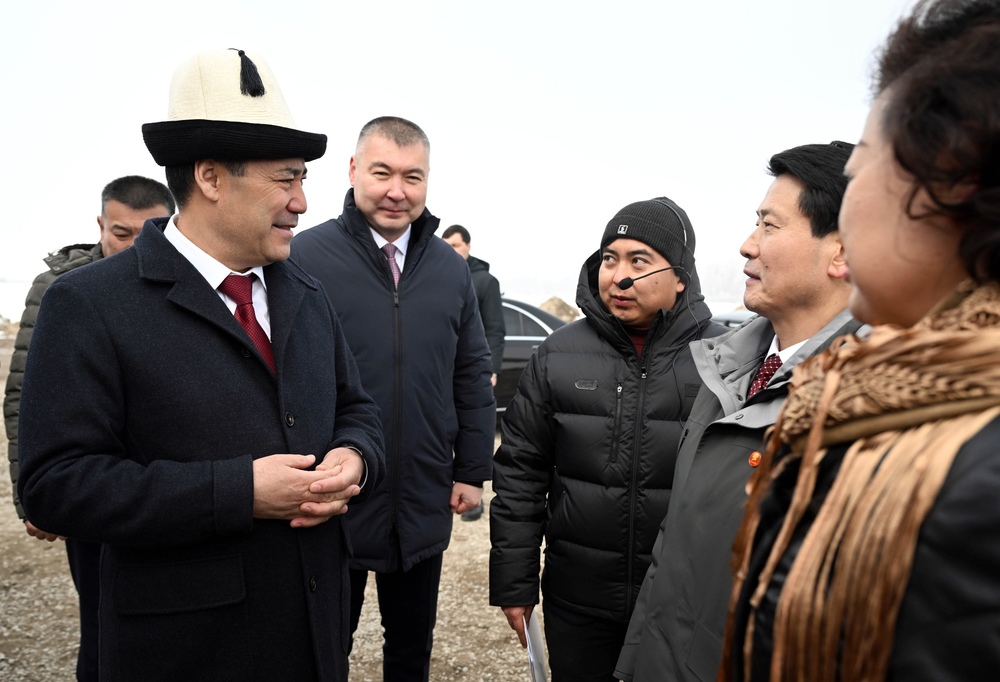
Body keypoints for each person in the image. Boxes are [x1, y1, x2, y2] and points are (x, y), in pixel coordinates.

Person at [16, 48, 384, 682]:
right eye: (286, 180)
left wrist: (356, 457)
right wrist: (238, 492)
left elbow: (357, 408)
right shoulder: (88, 304)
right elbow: (55, 487)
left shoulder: (306, 293)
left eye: (302, 180)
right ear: (211, 177)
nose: (302, 202)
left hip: (314, 643)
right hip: (185, 653)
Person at [719, 1, 1000, 680]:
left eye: (857, 173)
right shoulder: (870, 399)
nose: (849, 209)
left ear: (950, 177)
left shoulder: (971, 487)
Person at [614, 143, 862, 682]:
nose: (747, 245)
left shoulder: (866, 407)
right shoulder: (727, 369)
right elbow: (674, 545)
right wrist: (633, 663)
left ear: (841, 252)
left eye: (769, 226)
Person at [290, 116, 495, 681]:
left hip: (423, 490)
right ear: (353, 170)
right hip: (333, 494)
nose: (397, 191)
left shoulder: (451, 271)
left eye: (413, 177)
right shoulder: (305, 258)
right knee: (323, 647)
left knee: (410, 648)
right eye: (382, 173)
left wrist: (471, 470)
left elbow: (471, 373)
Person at [489, 197, 726, 681]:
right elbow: (520, 472)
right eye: (609, 259)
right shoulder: (557, 355)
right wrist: (514, 582)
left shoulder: (722, 359)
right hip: (578, 601)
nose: (619, 277)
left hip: (682, 604)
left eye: (639, 261)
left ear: (680, 276)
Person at [3, 174, 174, 682]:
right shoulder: (61, 288)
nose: (135, 246)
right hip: (93, 485)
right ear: (100, 224)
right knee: (103, 625)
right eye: (122, 233)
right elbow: (23, 395)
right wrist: (32, 494)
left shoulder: (184, 279)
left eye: (150, 233)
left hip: (170, 486)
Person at [442, 223, 506, 522]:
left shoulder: (485, 281)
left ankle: (474, 500)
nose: (452, 251)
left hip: (474, 368)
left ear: (468, 246)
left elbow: (494, 328)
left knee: (475, 427)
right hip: (446, 368)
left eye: (456, 246)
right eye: (447, 246)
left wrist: (491, 368)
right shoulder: (441, 274)